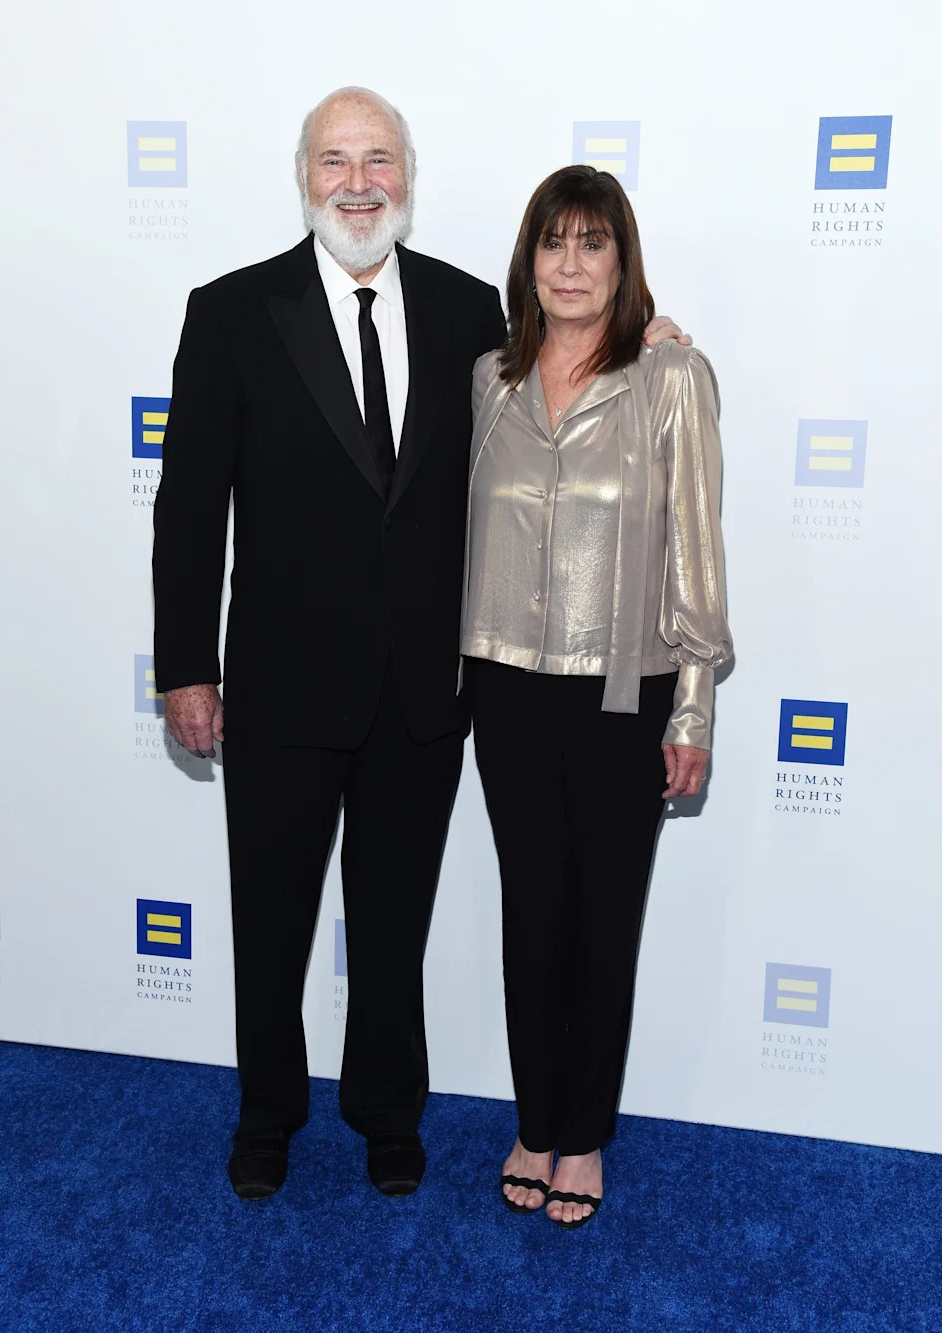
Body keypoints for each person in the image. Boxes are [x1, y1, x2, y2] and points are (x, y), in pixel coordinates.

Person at [153, 89, 687, 1202]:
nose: (360, 182)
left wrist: (659, 335)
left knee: (393, 928)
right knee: (271, 920)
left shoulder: (465, 317)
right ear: (305, 178)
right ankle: (268, 1112)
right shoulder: (231, 311)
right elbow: (191, 507)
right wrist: (185, 666)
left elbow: (572, 359)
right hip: (280, 689)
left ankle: (388, 1113)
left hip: (424, 694)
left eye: (379, 159)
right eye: (337, 161)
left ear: (408, 175)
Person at [461, 165, 732, 1228]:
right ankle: (535, 1119)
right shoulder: (489, 376)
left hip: (626, 690)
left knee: (602, 919)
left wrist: (696, 705)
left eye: (592, 246)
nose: (570, 267)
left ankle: (584, 1135)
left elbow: (696, 557)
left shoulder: (671, 378)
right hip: (506, 687)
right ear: (527, 261)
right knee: (530, 913)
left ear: (622, 263)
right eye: (552, 244)